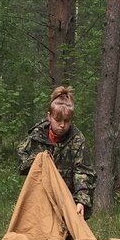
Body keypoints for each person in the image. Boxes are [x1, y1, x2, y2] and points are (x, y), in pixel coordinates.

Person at [17, 85, 96, 217]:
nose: (62, 125)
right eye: (58, 120)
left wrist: (81, 201)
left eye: (66, 121)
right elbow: (22, 162)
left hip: (66, 200)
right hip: (40, 199)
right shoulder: (37, 135)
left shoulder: (77, 140)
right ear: (49, 116)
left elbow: (84, 172)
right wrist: (40, 159)